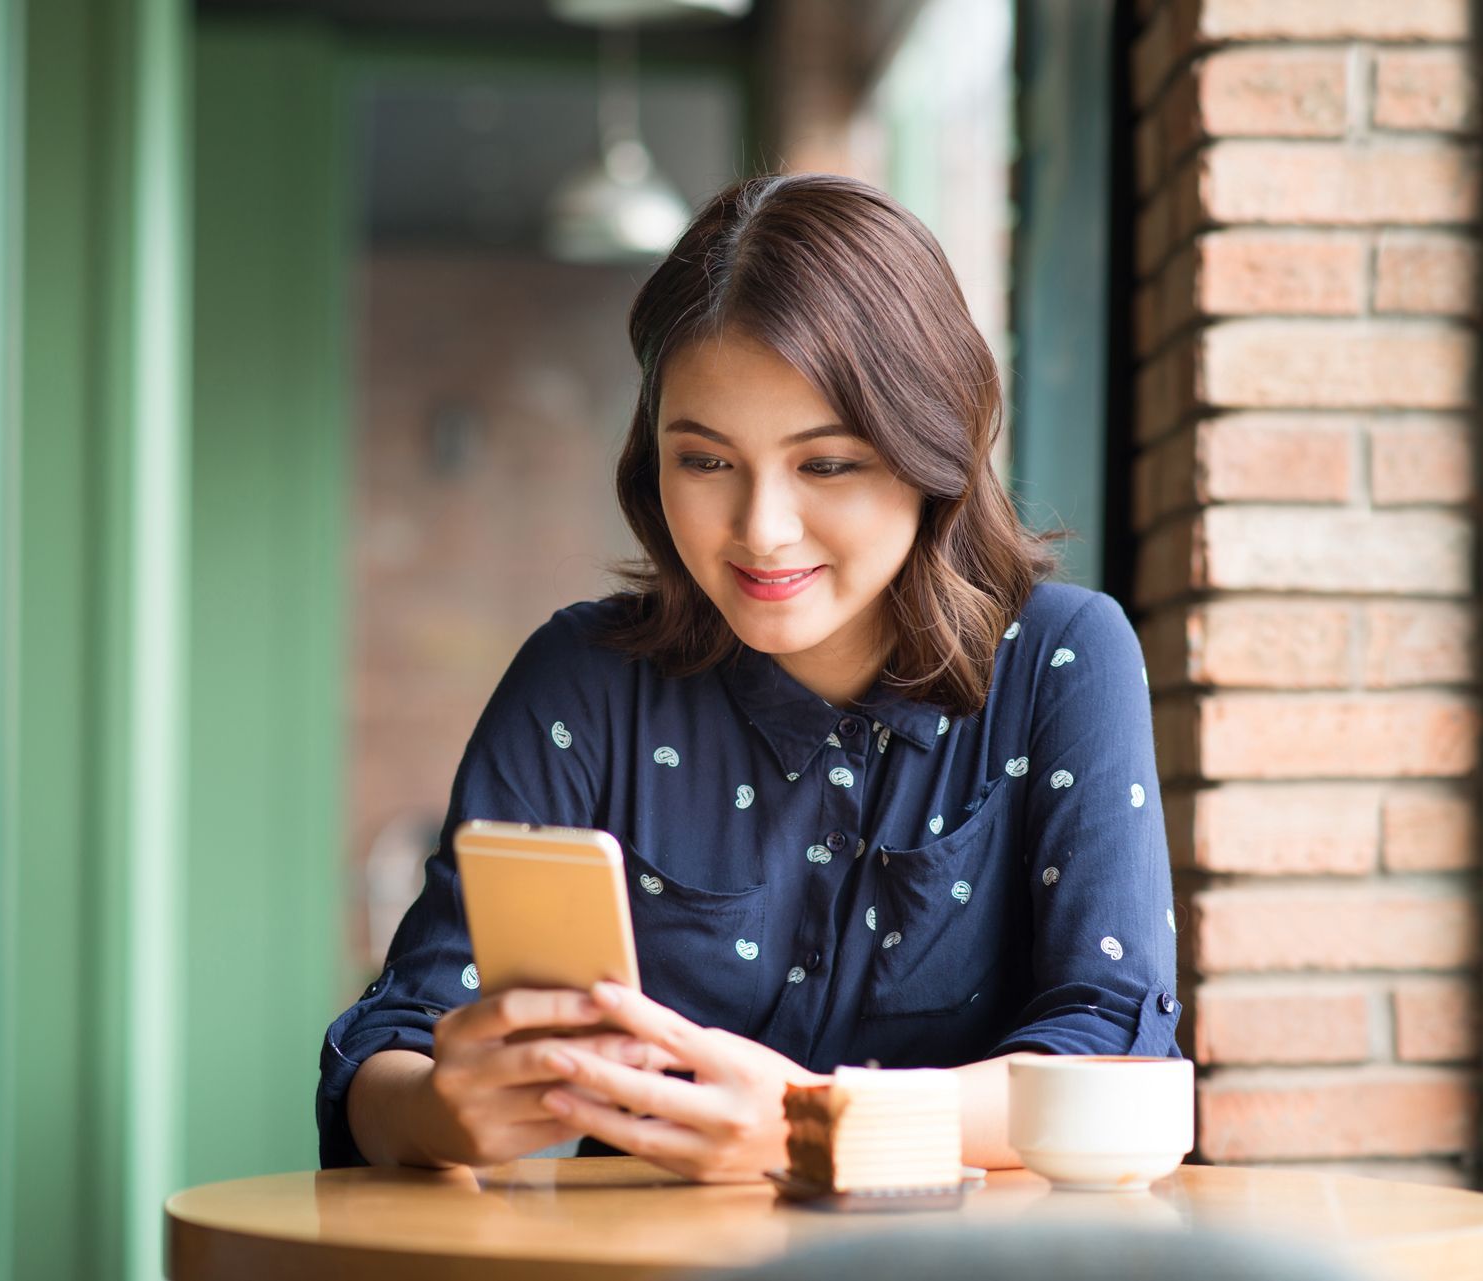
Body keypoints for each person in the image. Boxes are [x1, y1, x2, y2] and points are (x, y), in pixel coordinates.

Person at [317, 171, 1181, 1184]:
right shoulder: (581, 681)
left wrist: (808, 1124)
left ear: (932, 451)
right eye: (707, 462)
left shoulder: (1062, 659)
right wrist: (436, 1109)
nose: (762, 530)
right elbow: (402, 1038)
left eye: (827, 465)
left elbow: (1118, 1053)